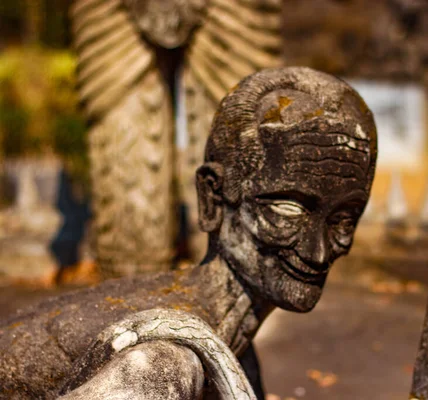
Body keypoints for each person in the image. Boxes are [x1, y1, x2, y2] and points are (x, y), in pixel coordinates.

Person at [0, 66, 378, 399]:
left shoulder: (232, 348)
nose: (317, 252)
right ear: (212, 198)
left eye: (344, 219)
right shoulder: (164, 365)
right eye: (287, 208)